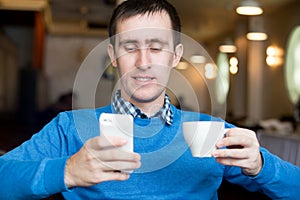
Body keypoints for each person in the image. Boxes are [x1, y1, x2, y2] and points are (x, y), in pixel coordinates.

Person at [0, 0, 300, 199]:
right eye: (130, 47)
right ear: (114, 56)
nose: (144, 62)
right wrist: (67, 170)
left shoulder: (212, 131)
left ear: (176, 56)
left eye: (156, 47)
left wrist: (261, 164)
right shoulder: (69, 128)